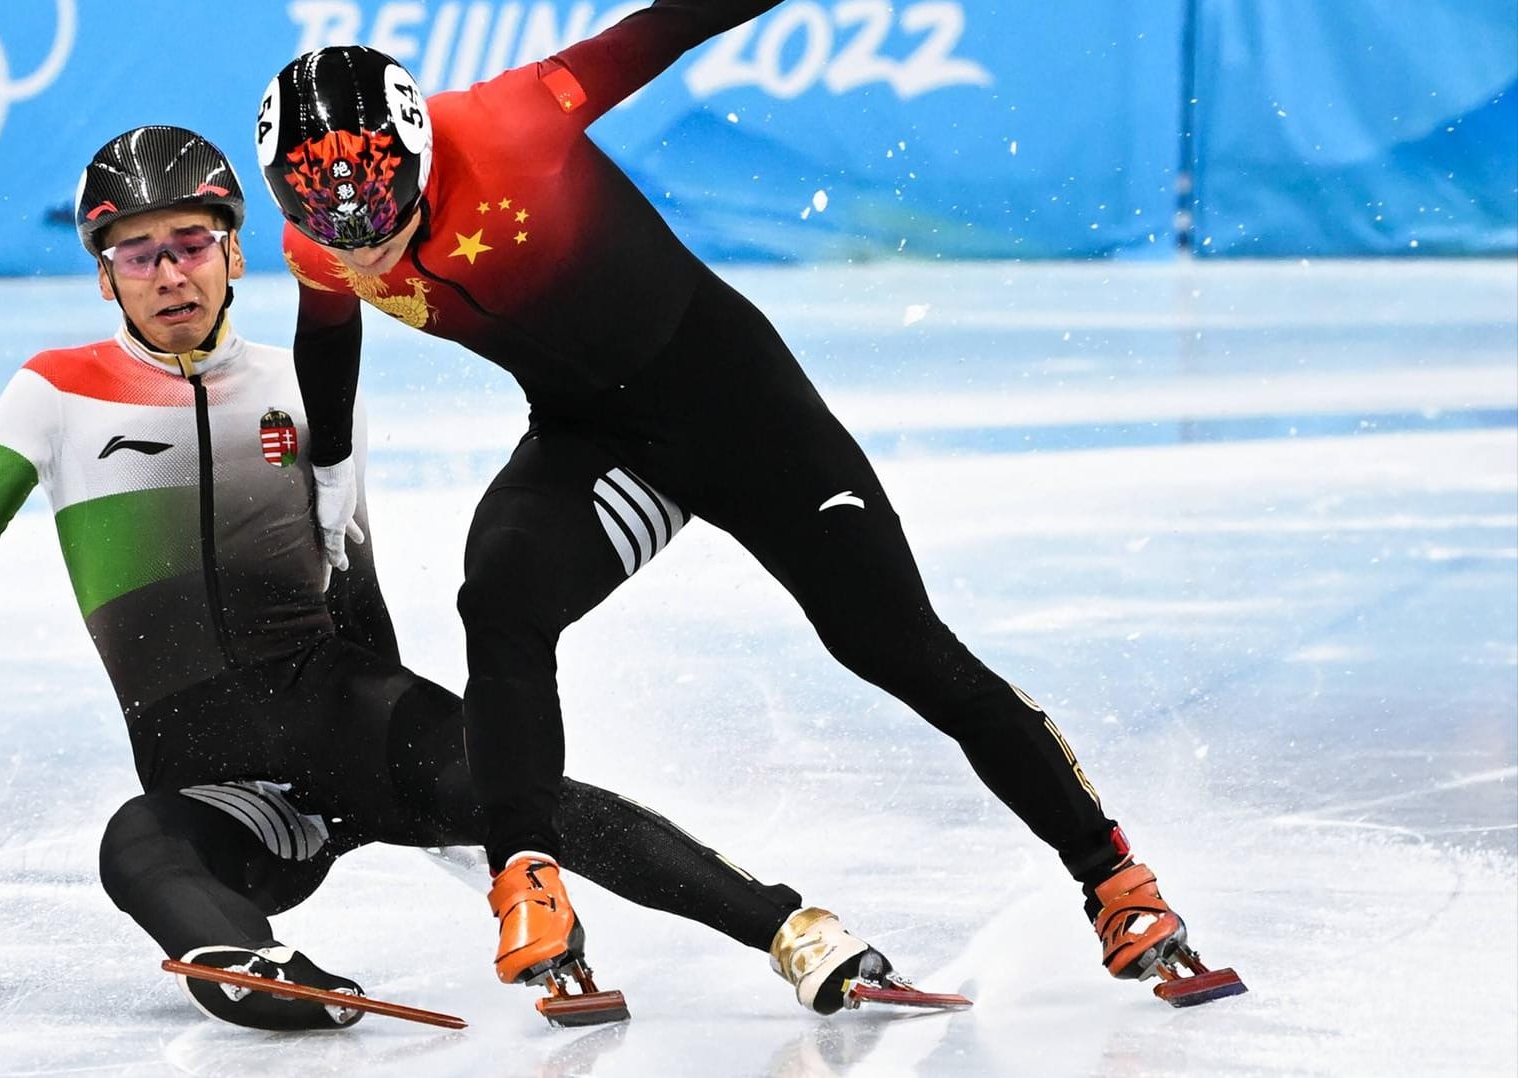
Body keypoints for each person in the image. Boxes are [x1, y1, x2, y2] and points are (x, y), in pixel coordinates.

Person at [0, 125, 923, 1030]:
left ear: (233, 250)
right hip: (224, 790)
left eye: (191, 244)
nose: (169, 274)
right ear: (104, 276)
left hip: (349, 717)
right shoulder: (51, 391)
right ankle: (273, 974)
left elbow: (353, 582)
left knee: (528, 791)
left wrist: (458, 801)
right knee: (134, 844)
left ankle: (794, 929)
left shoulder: (302, 388)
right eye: (138, 254)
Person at [258, 2, 1218, 1002]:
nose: (363, 254)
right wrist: (327, 474)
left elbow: (661, 31)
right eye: (336, 233)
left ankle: (1114, 876)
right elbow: (328, 343)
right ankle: (528, 875)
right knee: (499, 595)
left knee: (896, 647)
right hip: (600, 442)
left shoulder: (509, 122)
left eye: (386, 222)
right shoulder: (316, 238)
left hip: (743, 416)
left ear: (420, 158)